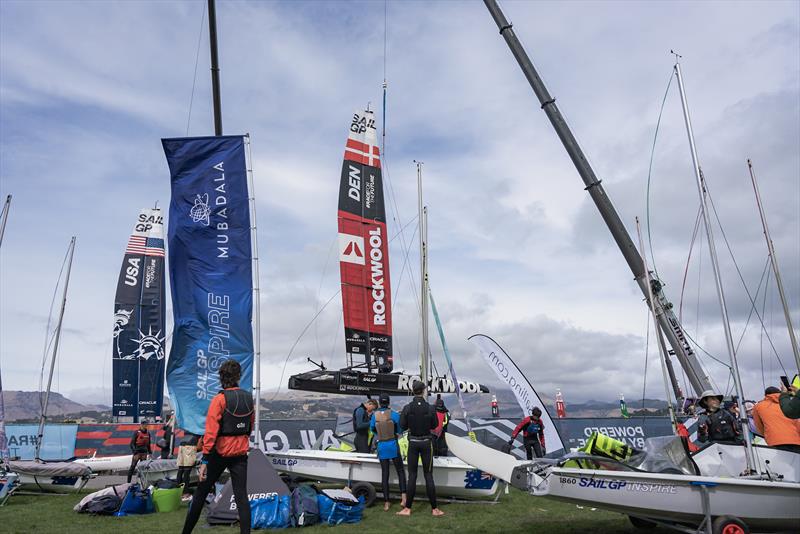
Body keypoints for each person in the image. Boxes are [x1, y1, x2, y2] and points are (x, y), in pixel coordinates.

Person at [182, 360, 254, 534]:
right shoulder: (248, 398)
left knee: (200, 494)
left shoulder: (219, 399)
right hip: (240, 454)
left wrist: (205, 459)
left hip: (219, 453)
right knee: (242, 497)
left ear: (221, 377)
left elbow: (211, 432)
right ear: (238, 376)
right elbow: (249, 427)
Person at [397, 381, 444, 517]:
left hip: (413, 443)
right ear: (423, 391)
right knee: (428, 475)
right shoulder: (430, 408)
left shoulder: (407, 408)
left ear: (413, 391)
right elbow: (435, 425)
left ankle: (407, 509)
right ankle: (435, 509)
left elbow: (402, 426)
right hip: (426, 443)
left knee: (412, 475)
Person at [369, 393, 407, 511]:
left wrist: (379, 435)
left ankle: (386, 502)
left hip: (382, 446)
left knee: (385, 474)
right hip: (393, 445)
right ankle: (404, 498)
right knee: (400, 471)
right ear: (389, 402)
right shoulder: (394, 414)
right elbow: (401, 428)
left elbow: (372, 429)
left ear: (380, 402)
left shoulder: (374, 416)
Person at [752, 386, 800, 453]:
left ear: (766, 395)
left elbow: (758, 425)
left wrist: (766, 435)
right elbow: (797, 423)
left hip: (775, 440)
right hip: (796, 440)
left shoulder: (758, 406)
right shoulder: (787, 403)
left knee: (781, 462)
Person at [177, 433, 199, 502]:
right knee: (186, 472)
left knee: (180, 470)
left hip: (182, 443)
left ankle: (178, 492)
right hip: (190, 444)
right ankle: (185, 494)